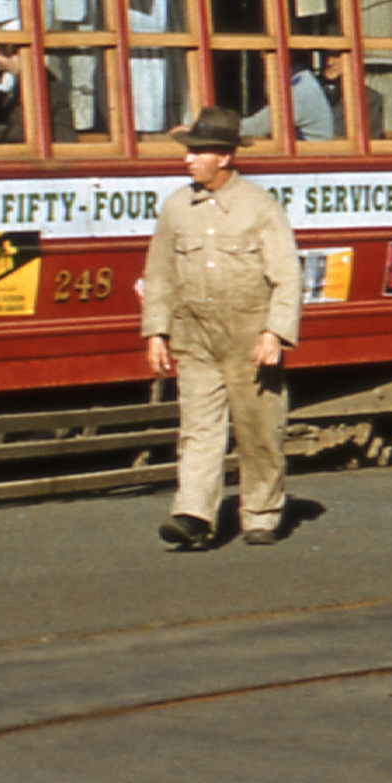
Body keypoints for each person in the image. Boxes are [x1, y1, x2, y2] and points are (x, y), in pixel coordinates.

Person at [139, 105, 303, 549]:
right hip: (195, 335)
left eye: (197, 152)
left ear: (225, 157)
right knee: (198, 429)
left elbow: (286, 276)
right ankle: (193, 514)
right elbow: (160, 275)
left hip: (249, 337)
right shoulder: (176, 209)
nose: (187, 160)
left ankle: (262, 513)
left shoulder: (259, 209)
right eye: (188, 152)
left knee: (258, 429)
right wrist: (156, 331)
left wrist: (275, 332)